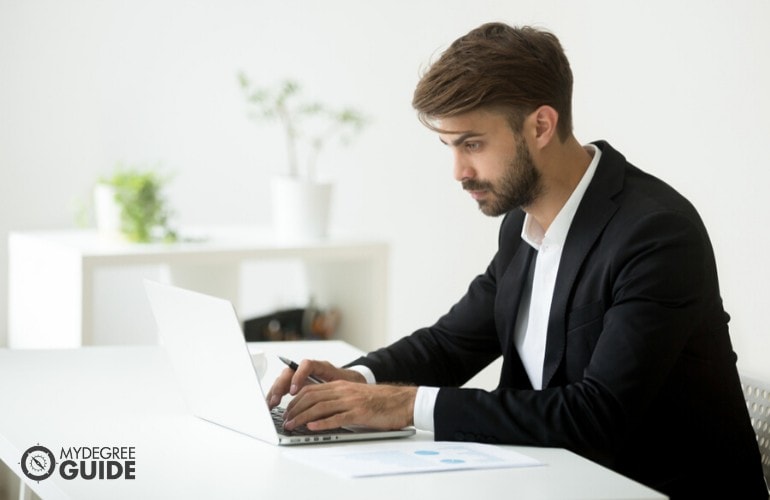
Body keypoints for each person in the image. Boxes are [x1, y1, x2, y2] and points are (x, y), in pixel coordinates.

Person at [267, 22, 767, 498]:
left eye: (473, 144)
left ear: (541, 126)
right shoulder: (520, 226)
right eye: (449, 146)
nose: (459, 171)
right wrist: (356, 381)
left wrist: (401, 405)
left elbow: (596, 415)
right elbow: (451, 343)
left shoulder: (656, 232)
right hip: (552, 482)